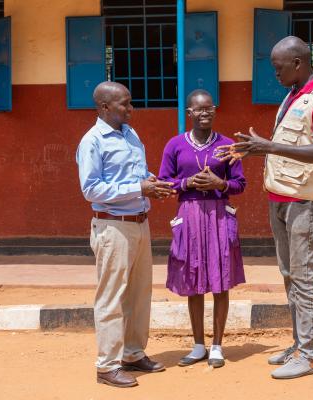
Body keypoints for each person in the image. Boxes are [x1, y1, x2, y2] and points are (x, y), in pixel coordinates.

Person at [217, 36, 313, 379]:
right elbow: (287, 146)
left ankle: (310, 355)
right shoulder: (292, 96)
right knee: (290, 276)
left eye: (278, 67)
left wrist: (268, 145)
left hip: (307, 201)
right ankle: (299, 344)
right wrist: (253, 150)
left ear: (298, 64)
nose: (274, 73)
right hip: (282, 197)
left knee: (305, 277)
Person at [76, 81, 176, 388]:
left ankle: (133, 353)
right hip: (112, 227)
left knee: (138, 293)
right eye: (124, 104)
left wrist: (150, 185)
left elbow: (135, 176)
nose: (131, 109)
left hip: (139, 222)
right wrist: (138, 188)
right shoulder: (92, 141)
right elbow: (91, 188)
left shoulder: (130, 134)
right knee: (112, 297)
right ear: (105, 107)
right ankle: (107, 365)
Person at [158, 89, 246, 368]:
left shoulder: (228, 144)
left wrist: (220, 185)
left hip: (219, 214)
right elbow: (164, 181)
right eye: (198, 109)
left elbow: (240, 184)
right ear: (189, 113)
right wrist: (188, 183)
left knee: (220, 279)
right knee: (193, 278)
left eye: (209, 108)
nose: (204, 112)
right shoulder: (175, 144)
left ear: (215, 110)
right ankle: (198, 345)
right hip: (190, 214)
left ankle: (217, 346)